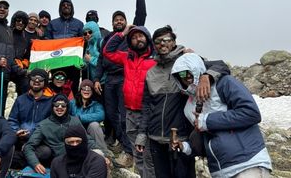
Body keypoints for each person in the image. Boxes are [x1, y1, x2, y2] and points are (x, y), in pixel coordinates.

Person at [135, 25, 231, 178]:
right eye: (158, 41)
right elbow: (147, 105)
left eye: (167, 39)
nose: (162, 44)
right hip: (155, 138)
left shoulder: (186, 61)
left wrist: (207, 76)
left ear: (173, 42)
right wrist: (141, 134)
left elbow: (221, 65)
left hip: (181, 137)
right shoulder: (151, 73)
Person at [171, 53, 272, 178]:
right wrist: (185, 146)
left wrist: (207, 121)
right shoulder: (188, 107)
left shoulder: (225, 83)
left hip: (248, 164)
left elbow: (251, 113)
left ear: (197, 69)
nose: (185, 78)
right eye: (180, 75)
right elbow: (206, 140)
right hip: (220, 171)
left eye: (188, 73)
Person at [94, 0, 146, 167]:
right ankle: (125, 146)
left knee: (125, 116)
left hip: (126, 78)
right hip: (109, 81)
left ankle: (129, 151)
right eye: (115, 19)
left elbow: (141, 16)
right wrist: (97, 79)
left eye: (121, 19)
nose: (118, 21)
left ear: (125, 22)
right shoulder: (108, 39)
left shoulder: (130, 36)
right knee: (111, 115)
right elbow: (102, 59)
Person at [103, 24, 155, 177]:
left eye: (140, 36)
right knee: (137, 152)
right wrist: (122, 33)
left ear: (147, 37)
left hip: (148, 114)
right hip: (130, 112)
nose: (137, 39)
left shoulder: (156, 58)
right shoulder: (127, 57)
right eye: (133, 37)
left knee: (149, 154)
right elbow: (108, 51)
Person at [24, 94, 97, 175]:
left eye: (63, 105)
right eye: (56, 105)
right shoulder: (43, 125)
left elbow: (88, 139)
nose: (59, 107)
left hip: (78, 158)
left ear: (67, 107)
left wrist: (100, 153)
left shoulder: (75, 120)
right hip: (58, 162)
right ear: (52, 107)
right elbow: (29, 146)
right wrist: (35, 164)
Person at [8, 68, 53, 169]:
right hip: (20, 140)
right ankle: (31, 161)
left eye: (40, 80)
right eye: (33, 79)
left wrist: (34, 137)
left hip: (39, 142)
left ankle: (21, 159)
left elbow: (50, 124)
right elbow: (12, 120)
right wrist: (17, 131)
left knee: (46, 152)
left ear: (45, 83)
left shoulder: (50, 102)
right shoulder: (20, 100)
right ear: (29, 81)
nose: (36, 81)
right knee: (5, 148)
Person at [45, 0, 84, 93]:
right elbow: (47, 41)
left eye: (68, 5)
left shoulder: (79, 24)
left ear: (72, 8)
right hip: (56, 61)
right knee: (56, 87)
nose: (66, 6)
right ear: (60, 8)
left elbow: (83, 42)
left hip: (73, 64)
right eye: (63, 5)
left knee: (73, 88)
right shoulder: (52, 24)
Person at [69, 79, 108, 153]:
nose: (86, 91)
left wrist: (80, 117)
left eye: (89, 89)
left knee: (94, 125)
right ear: (80, 90)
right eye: (84, 89)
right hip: (76, 130)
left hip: (91, 131)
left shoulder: (96, 104)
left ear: (92, 91)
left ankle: (104, 153)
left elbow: (101, 115)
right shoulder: (72, 103)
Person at [9, 10, 30, 96]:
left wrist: (25, 62)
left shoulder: (25, 37)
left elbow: (26, 55)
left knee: (26, 86)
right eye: (18, 20)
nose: (20, 23)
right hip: (6, 67)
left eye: (23, 21)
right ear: (14, 21)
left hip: (19, 70)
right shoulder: (6, 32)